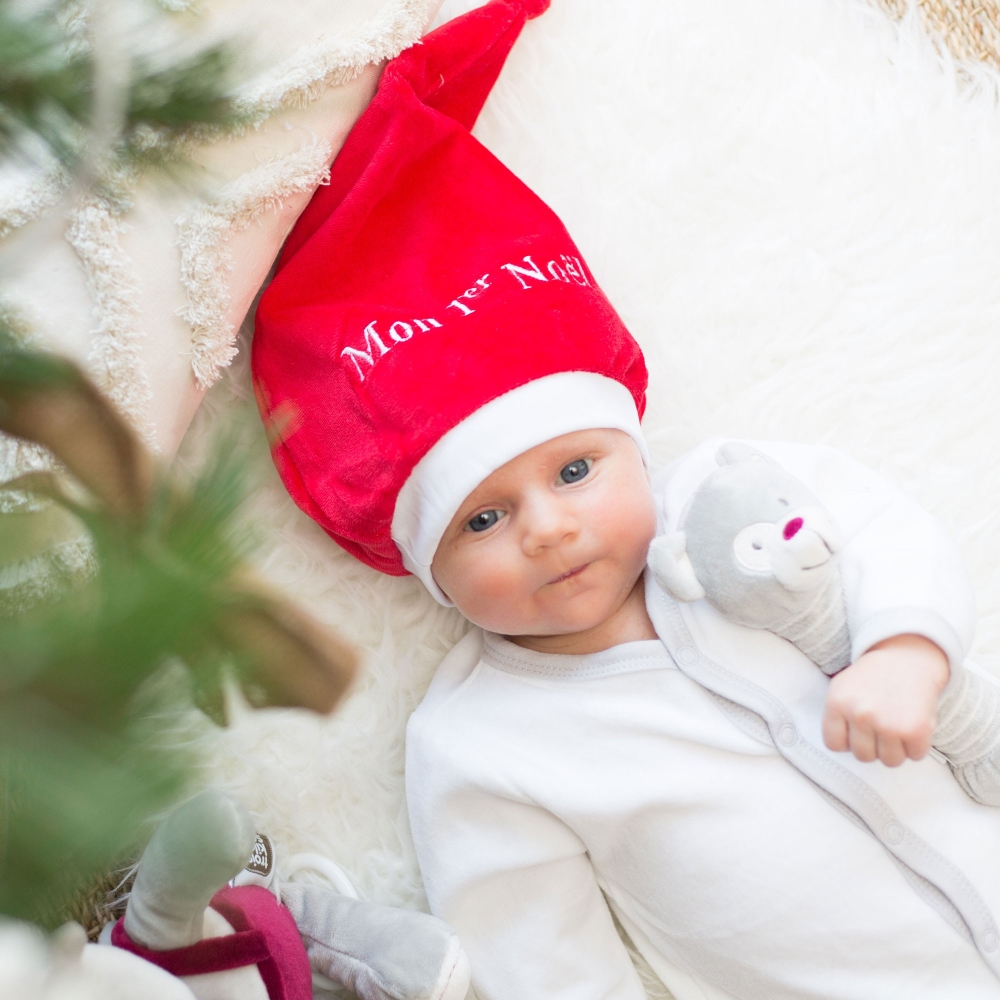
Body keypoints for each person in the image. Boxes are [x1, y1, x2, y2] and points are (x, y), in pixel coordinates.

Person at [251, 1, 1000, 997]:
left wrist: (906, 648)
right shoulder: (481, 747)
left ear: (630, 444)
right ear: (421, 563)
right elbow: (542, 956)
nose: (550, 526)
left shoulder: (717, 498)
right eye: (483, 519)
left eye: (574, 471)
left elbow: (877, 519)